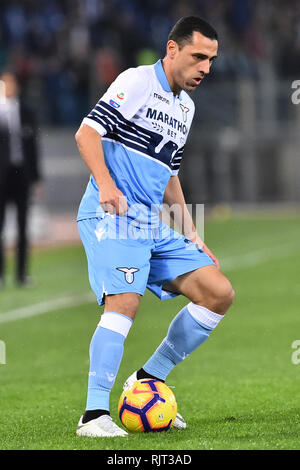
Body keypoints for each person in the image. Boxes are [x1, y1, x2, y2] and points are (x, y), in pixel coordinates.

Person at [75, 16, 235, 437]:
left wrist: (191, 231)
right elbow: (86, 134)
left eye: (212, 60)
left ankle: (147, 380)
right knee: (124, 304)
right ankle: (93, 415)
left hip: (151, 222)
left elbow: (168, 174)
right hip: (113, 216)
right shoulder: (137, 82)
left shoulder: (187, 107)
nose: (205, 67)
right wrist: (107, 186)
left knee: (217, 293)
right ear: (172, 50)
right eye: (198, 56)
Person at [0, 72, 40, 287]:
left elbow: (34, 147)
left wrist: (37, 178)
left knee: (23, 226)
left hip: (21, 176)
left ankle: (21, 274)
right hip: (1, 177)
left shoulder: (25, 111)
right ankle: (1, 274)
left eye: (11, 83)